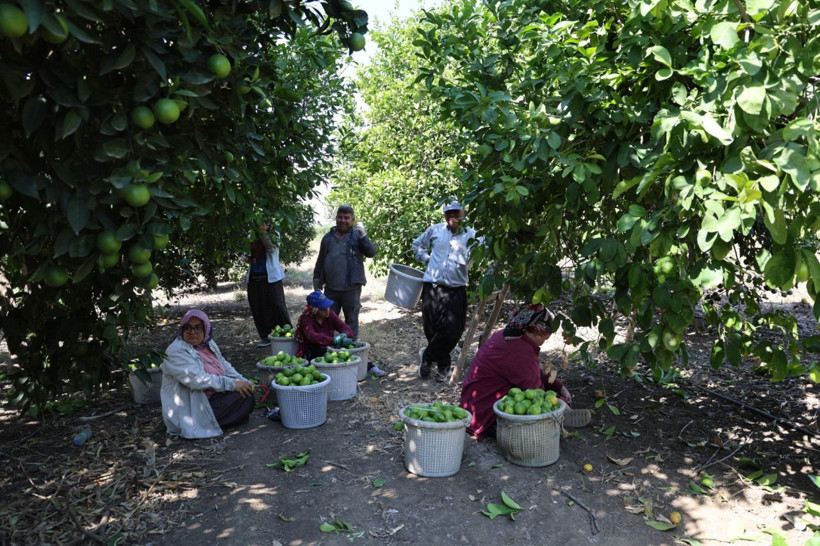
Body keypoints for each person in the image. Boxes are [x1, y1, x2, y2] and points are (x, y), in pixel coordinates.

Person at [459, 304, 591, 441]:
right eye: (544, 338)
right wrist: (560, 404)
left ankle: (561, 414)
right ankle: (559, 416)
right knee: (536, 407)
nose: (543, 343)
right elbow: (536, 390)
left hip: (474, 405)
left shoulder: (510, 335)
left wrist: (559, 387)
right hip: (486, 415)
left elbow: (533, 371)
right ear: (537, 332)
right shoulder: (520, 350)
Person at [412, 198, 479, 382]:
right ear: (444, 214)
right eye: (449, 212)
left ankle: (427, 356)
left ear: (464, 212)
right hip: (432, 286)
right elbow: (417, 245)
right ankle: (443, 367)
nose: (452, 215)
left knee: (453, 331)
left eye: (456, 211)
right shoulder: (435, 230)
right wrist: (426, 258)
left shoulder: (473, 235)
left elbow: (487, 252)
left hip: (455, 289)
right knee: (431, 329)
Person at [161, 309, 256, 439]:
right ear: (182, 330)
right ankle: (216, 421)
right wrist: (232, 384)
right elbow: (197, 380)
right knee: (241, 398)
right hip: (192, 409)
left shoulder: (208, 344)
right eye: (188, 328)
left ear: (206, 329)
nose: (192, 332)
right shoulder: (176, 352)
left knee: (246, 394)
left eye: (198, 328)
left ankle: (230, 416)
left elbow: (224, 365)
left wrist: (243, 381)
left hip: (210, 397)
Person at [312, 204, 376, 340]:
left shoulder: (357, 236)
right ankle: (327, 346)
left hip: (351, 289)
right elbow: (321, 259)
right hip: (330, 289)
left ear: (352, 220)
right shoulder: (328, 237)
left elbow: (371, 252)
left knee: (351, 321)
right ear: (336, 218)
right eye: (340, 217)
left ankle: (351, 347)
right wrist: (316, 278)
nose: (343, 220)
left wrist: (363, 235)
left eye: (346, 218)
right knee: (327, 319)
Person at [247, 218, 291, 348]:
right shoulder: (250, 236)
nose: (261, 225)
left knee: (277, 305)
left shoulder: (274, 235)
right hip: (254, 277)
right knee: (257, 307)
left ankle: (288, 333)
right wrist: (247, 258)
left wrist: (263, 233)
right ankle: (265, 336)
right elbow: (245, 254)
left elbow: (271, 248)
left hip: (272, 277)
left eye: (264, 222)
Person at [294, 290, 356, 362]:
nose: (327, 310)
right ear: (314, 309)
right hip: (311, 354)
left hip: (328, 351)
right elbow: (312, 336)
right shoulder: (306, 319)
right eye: (323, 308)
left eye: (328, 306)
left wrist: (344, 334)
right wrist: (333, 340)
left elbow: (345, 327)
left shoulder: (330, 315)